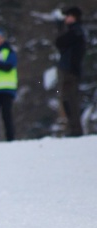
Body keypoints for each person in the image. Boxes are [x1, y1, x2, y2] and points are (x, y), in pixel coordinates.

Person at [55, 6, 86, 137]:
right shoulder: (75, 31)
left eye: (68, 16)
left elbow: (60, 42)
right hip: (70, 70)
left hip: (70, 71)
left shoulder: (75, 32)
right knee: (68, 100)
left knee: (70, 100)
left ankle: (75, 129)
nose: (66, 18)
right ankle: (73, 128)